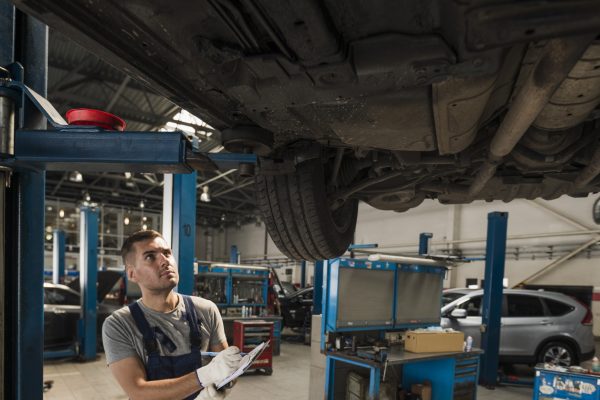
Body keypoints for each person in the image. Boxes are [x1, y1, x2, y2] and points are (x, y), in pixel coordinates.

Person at [102, 229, 241, 400]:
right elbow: (138, 391)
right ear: (132, 273)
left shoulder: (206, 310)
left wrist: (221, 387)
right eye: (150, 257)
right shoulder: (119, 324)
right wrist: (204, 376)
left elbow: (227, 371)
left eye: (167, 253)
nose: (164, 261)